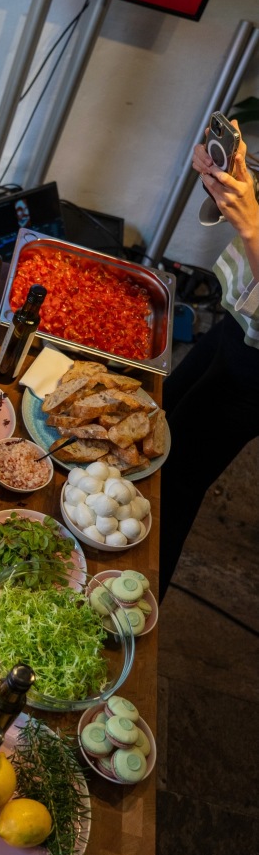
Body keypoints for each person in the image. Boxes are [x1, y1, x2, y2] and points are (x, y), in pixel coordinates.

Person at [159, 119, 259, 602]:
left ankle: (131, 613)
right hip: (241, 321)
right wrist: (232, 182)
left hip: (255, 370)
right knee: (159, 421)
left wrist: (251, 226)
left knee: (176, 483)